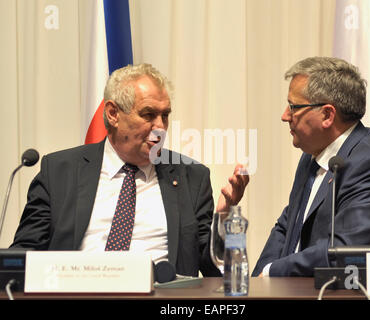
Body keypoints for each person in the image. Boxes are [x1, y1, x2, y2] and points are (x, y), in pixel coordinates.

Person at [10, 63, 249, 277]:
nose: (160, 126)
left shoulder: (192, 177)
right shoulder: (60, 171)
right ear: (113, 113)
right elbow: (23, 255)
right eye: (148, 114)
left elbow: (215, 269)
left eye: (165, 116)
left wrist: (225, 217)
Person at [252, 56, 370, 277]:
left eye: (293, 107)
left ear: (327, 114)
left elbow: (347, 251)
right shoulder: (312, 157)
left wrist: (272, 272)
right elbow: (287, 228)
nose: (285, 116)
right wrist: (258, 282)